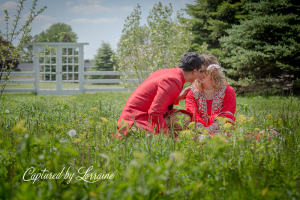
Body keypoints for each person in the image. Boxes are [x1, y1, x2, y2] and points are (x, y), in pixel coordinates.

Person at [117, 52, 204, 135]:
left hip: (133, 115)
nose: (200, 74)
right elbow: (155, 112)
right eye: (200, 71)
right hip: (136, 120)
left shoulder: (169, 73)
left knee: (185, 119)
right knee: (158, 141)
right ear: (194, 71)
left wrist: (179, 97)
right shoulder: (173, 80)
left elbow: (157, 100)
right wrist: (166, 136)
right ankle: (165, 138)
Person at [185, 54, 236, 134]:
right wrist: (204, 130)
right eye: (196, 71)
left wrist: (211, 128)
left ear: (213, 70)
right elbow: (193, 115)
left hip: (220, 129)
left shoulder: (228, 90)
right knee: (185, 118)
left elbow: (228, 114)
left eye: (202, 71)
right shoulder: (192, 92)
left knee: (229, 117)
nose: (199, 74)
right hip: (199, 130)